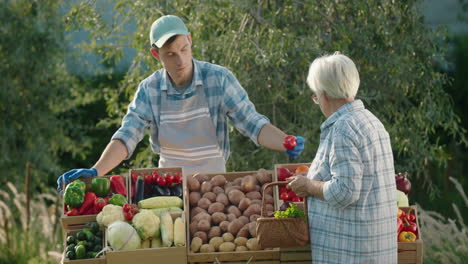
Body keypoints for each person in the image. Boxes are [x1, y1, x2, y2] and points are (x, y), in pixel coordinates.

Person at [57, 15, 305, 191]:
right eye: (171, 55)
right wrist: (96, 171)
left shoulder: (218, 79)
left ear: (190, 39)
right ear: (156, 54)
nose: (180, 61)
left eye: (184, 49)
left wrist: (284, 141)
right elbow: (126, 137)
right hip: (168, 188)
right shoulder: (150, 89)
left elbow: (253, 124)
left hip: (215, 185)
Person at [287, 53, 397, 263]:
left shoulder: (343, 128)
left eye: (315, 95)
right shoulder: (371, 121)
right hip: (373, 248)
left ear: (324, 94)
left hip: (350, 253)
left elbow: (344, 192)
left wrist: (308, 186)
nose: (316, 101)